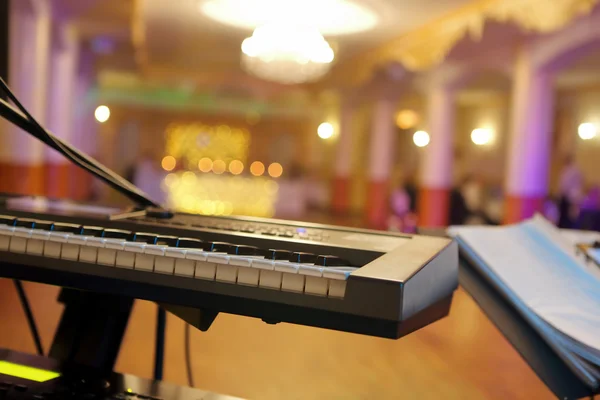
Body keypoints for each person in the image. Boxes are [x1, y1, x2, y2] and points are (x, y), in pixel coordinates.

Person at [557, 155, 583, 228]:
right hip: (571, 197)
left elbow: (565, 185)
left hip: (569, 197)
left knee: (567, 219)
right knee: (568, 218)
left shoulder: (570, 171)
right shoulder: (572, 170)